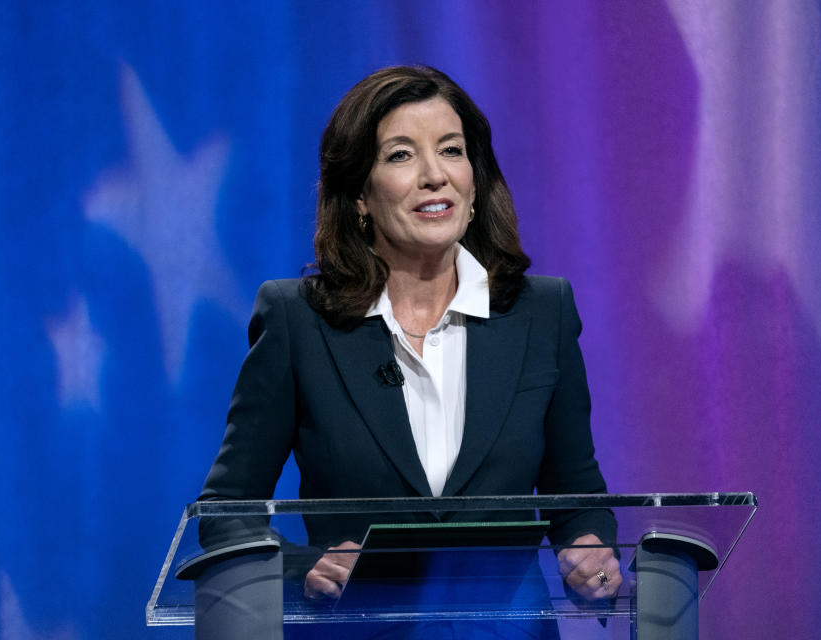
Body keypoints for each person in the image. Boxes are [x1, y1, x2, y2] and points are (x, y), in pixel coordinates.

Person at [199, 65, 622, 635]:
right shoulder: (298, 320)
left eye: (451, 150)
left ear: (475, 184)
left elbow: (575, 494)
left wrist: (589, 549)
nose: (434, 176)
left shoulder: (541, 313)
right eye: (401, 156)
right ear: (360, 197)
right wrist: (303, 567)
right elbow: (228, 510)